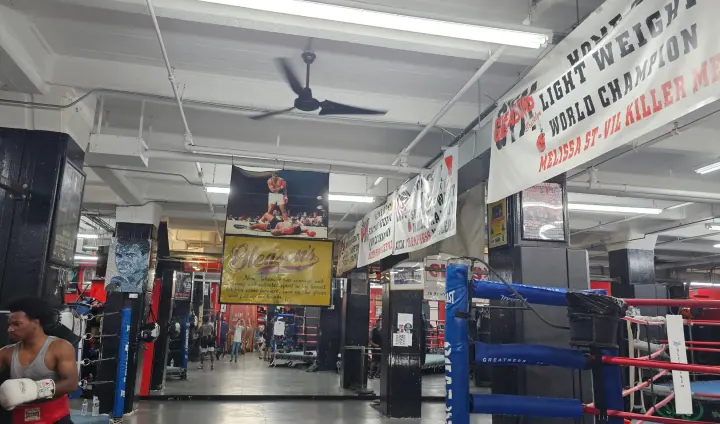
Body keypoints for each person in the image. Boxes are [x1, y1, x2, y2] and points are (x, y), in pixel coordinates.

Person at [0, 297, 79, 424]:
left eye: (16, 324)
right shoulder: (6, 353)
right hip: (20, 419)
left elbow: (71, 383)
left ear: (36, 322)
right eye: (9, 325)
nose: (10, 329)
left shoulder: (60, 347)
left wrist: (36, 390)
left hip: (56, 419)